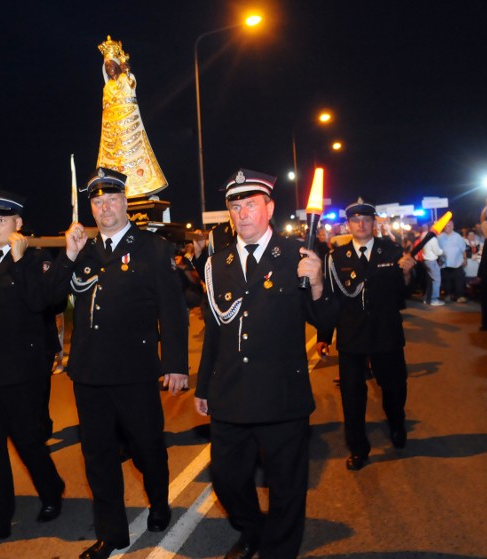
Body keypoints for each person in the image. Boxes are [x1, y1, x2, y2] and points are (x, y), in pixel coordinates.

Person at [47, 167, 189, 559]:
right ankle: (112, 533)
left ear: (125, 202)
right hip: (89, 374)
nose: (104, 207)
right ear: (90, 207)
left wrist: (175, 363)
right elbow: (51, 300)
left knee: (147, 448)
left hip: (135, 372)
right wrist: (68, 254)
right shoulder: (84, 252)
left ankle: (158, 501)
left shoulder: (152, 248)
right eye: (97, 201)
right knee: (97, 456)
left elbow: (173, 310)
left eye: (111, 199)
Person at [194, 169, 336, 559]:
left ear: (269, 207)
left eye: (251, 205)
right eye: (235, 206)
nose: (242, 214)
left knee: (286, 485)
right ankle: (251, 528)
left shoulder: (298, 255)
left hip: (281, 393)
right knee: (226, 477)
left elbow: (325, 322)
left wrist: (319, 284)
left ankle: (279, 550)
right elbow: (214, 332)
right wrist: (204, 386)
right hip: (231, 393)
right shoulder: (216, 263)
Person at [0, 189, 65, 551]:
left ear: (18, 224)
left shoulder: (36, 260)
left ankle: (51, 489)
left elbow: (42, 303)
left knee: (28, 441)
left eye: (1, 219)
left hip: (22, 371)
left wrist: (18, 262)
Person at [317, 199, 416, 471]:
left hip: (386, 333)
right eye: (355, 220)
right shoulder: (336, 259)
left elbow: (403, 294)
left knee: (395, 387)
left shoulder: (392, 251)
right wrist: (324, 335)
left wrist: (407, 274)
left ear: (374, 223)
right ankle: (358, 447)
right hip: (352, 336)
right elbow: (331, 299)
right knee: (352, 395)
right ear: (348, 225)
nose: (361, 224)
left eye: (366, 220)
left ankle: (396, 424)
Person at [96, 36, 167, 198]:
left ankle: (140, 187)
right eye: (107, 67)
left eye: (111, 65)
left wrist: (126, 69)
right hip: (112, 131)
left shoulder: (125, 78)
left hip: (130, 126)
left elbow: (131, 86)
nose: (109, 69)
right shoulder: (107, 87)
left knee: (136, 156)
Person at [438, 220, 468, 303]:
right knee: (446, 281)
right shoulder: (440, 237)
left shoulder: (457, 236)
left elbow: (463, 249)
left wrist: (465, 259)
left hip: (457, 263)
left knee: (459, 280)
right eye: (446, 226)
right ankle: (448, 295)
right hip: (445, 264)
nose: (447, 227)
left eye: (449, 226)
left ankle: (460, 296)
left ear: (452, 227)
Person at [421, 227, 445, 305]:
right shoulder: (433, 239)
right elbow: (437, 251)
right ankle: (434, 300)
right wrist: (443, 252)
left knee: (430, 281)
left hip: (425, 261)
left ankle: (427, 299)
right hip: (431, 261)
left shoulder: (423, 235)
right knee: (436, 280)